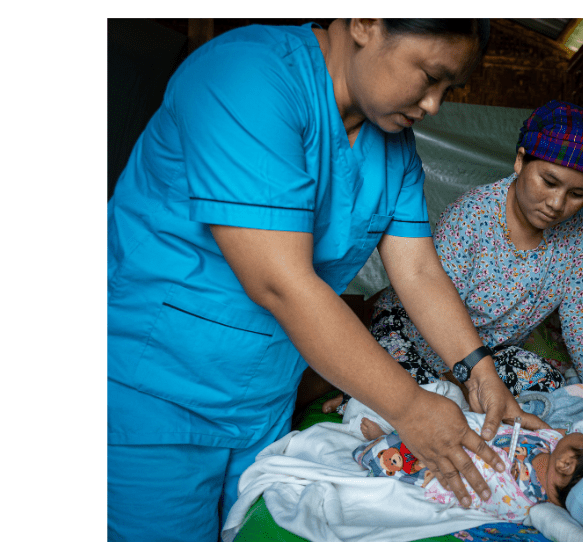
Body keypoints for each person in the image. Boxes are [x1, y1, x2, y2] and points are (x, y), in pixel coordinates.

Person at [107, 18, 546, 542]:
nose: (434, 105)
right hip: (156, 392)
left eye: (449, 89)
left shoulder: (394, 144)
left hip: (264, 398)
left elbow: (420, 270)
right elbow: (280, 281)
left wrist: (481, 371)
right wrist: (411, 409)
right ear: (364, 21)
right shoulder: (246, 76)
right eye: (430, 76)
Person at [328, 100, 583, 416]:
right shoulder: (472, 217)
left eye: (577, 194)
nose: (557, 203)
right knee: (422, 395)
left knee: (546, 380)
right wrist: (465, 383)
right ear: (521, 161)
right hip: (416, 335)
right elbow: (431, 311)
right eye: (548, 182)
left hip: (489, 355)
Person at [347, 391, 583, 541]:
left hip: (446, 460)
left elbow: (476, 491)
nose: (582, 431)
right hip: (469, 427)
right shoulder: (556, 449)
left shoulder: (520, 500)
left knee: (395, 457)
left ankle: (376, 441)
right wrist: (535, 425)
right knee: (435, 402)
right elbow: (546, 432)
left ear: (569, 463)